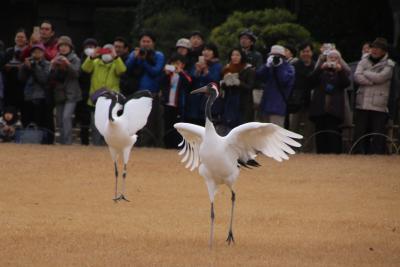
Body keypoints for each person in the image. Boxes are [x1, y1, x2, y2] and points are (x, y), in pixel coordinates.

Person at [353, 37, 395, 154]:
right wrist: (372, 79)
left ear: (384, 51)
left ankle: (376, 155)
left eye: (378, 48)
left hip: (379, 104)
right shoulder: (363, 61)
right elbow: (357, 76)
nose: (375, 50)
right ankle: (358, 154)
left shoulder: (389, 64)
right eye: (373, 48)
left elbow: (381, 77)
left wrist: (365, 73)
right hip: (362, 102)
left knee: (377, 133)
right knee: (360, 131)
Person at [81, 43, 127, 145]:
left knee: (111, 125)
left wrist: (116, 57)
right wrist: (92, 56)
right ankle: (96, 145)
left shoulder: (116, 64)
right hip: (96, 100)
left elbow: (122, 70)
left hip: (112, 101)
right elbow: (85, 68)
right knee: (95, 125)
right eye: (105, 51)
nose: (107, 53)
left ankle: (109, 145)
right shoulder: (95, 62)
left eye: (109, 51)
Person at [125, 31, 165, 147]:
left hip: (152, 94)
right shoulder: (135, 53)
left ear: (153, 43)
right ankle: (134, 144)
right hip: (136, 94)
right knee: (135, 121)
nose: (145, 44)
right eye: (143, 41)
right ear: (139, 42)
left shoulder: (158, 55)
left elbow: (155, 71)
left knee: (150, 122)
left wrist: (143, 61)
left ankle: (148, 146)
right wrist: (135, 58)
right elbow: (126, 69)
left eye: (148, 41)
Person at [308, 49, 350, 154]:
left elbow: (346, 83)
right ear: (326, 59)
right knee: (320, 134)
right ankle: (321, 156)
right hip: (320, 109)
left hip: (334, 110)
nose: (333, 60)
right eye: (330, 57)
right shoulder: (321, 71)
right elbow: (311, 80)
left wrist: (340, 71)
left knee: (334, 134)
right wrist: (320, 68)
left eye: (336, 58)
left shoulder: (341, 73)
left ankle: (335, 156)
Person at [49, 36, 81, 145]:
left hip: (72, 94)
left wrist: (68, 65)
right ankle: (62, 142)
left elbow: (76, 74)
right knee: (59, 119)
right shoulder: (56, 58)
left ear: (70, 47)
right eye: (61, 46)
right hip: (59, 94)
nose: (63, 48)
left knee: (67, 117)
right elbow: (50, 76)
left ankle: (68, 142)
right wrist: (53, 66)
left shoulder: (75, 59)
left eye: (65, 46)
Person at [18, 43, 52, 142]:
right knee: (27, 121)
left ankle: (41, 142)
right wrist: (24, 67)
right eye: (34, 52)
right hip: (28, 96)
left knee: (40, 122)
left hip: (41, 97)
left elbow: (44, 79)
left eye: (39, 51)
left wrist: (34, 66)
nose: (36, 54)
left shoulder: (47, 64)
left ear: (43, 53)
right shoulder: (27, 63)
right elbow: (21, 79)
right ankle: (29, 140)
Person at [257, 45, 295, 127]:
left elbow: (284, 81)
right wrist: (266, 66)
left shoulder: (289, 68)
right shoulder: (269, 67)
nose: (275, 58)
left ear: (283, 57)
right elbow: (259, 76)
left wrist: (279, 66)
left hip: (278, 107)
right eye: (272, 55)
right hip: (265, 106)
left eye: (278, 56)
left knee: (275, 135)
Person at [287, 41, 316, 150]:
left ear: (312, 52)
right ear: (300, 53)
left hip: (311, 100)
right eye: (303, 51)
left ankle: (307, 150)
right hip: (296, 100)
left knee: (309, 127)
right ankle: (291, 149)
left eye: (308, 51)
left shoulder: (316, 65)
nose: (305, 54)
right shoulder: (294, 66)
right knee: (293, 126)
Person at [221, 47, 255, 133]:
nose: (234, 57)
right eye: (233, 55)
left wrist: (239, 83)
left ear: (242, 57)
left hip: (242, 104)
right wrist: (225, 82)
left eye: (237, 55)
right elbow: (223, 87)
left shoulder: (248, 69)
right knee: (228, 128)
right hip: (229, 102)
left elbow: (250, 87)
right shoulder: (227, 68)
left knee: (241, 129)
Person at [161, 53, 192, 148]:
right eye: (174, 63)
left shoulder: (184, 75)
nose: (176, 65)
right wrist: (165, 74)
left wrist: (181, 72)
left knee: (178, 126)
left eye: (178, 63)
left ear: (183, 65)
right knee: (167, 125)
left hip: (179, 105)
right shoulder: (168, 75)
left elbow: (189, 83)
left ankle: (178, 145)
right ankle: (168, 145)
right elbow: (161, 84)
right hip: (168, 103)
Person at [188, 43, 222, 126]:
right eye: (204, 50)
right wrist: (197, 71)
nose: (206, 52)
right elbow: (190, 81)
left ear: (214, 53)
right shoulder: (197, 64)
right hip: (195, 102)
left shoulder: (218, 66)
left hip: (208, 102)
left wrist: (206, 71)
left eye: (209, 50)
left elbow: (215, 81)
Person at [76, 38, 98, 145]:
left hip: (95, 93)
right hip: (83, 93)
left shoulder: (99, 60)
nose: (89, 49)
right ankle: (84, 142)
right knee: (84, 120)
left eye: (92, 46)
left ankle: (96, 143)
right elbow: (80, 74)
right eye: (87, 47)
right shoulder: (80, 59)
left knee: (96, 122)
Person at [3, 29, 28, 115]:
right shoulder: (8, 51)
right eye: (18, 37)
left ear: (26, 39)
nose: (20, 39)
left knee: (26, 116)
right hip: (10, 89)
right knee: (9, 116)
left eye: (22, 37)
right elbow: (3, 67)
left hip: (25, 89)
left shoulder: (29, 52)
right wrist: (6, 68)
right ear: (14, 38)